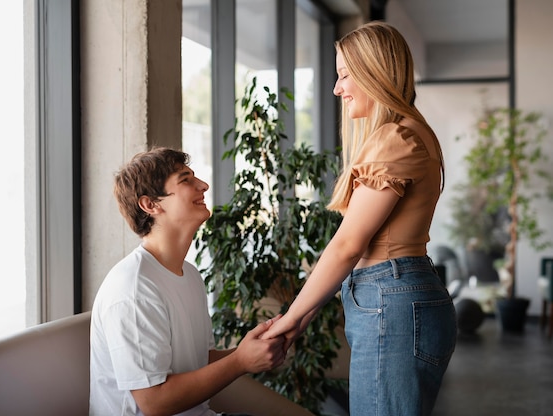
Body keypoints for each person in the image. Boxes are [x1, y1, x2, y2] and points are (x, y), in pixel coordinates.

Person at [261, 21, 457, 416]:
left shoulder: (395, 137)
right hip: (401, 295)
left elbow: (348, 246)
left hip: (393, 301)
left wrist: (290, 319)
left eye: (345, 75)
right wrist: (304, 317)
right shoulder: (413, 132)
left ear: (375, 72)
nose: (337, 89)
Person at [89, 147, 286, 416]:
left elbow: (198, 362)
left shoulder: (189, 274)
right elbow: (154, 402)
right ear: (151, 205)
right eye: (186, 180)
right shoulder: (133, 288)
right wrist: (240, 361)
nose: (203, 185)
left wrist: (250, 349)